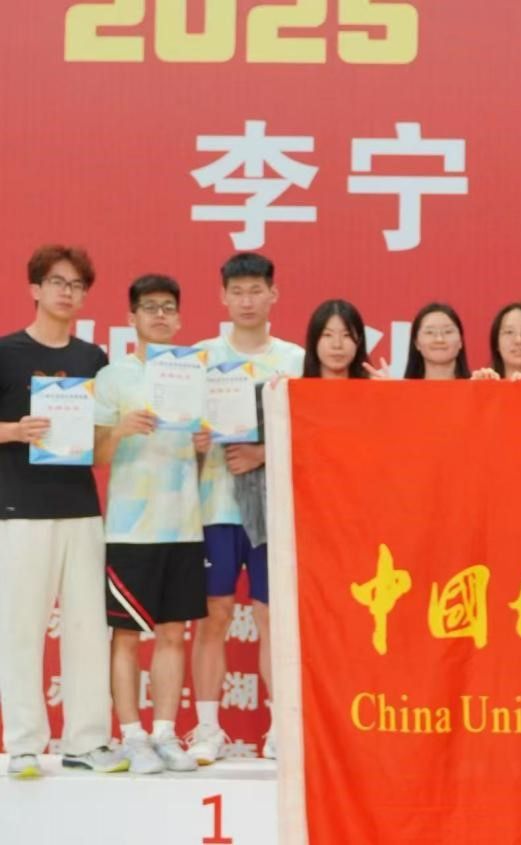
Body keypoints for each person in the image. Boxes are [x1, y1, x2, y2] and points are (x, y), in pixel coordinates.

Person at [0, 245, 126, 777]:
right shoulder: (6, 353)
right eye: (57, 282)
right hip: (19, 508)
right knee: (20, 628)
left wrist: (123, 429)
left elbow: (97, 449)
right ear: (35, 288)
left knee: (88, 627)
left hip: (80, 508)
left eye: (76, 285)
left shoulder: (93, 359)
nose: (66, 292)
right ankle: (25, 744)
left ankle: (86, 741)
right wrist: (13, 431)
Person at [188, 252, 305, 765]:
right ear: (223, 297)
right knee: (213, 615)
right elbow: (178, 432)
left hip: (273, 512)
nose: (247, 301)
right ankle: (207, 728)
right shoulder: (200, 358)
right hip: (213, 506)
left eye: (256, 290)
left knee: (271, 617)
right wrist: (193, 442)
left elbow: (314, 434)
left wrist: (262, 453)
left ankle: (281, 728)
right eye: (237, 292)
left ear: (273, 294)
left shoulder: (295, 360)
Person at [94, 274, 205, 774]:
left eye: (168, 308)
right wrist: (120, 429)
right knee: (125, 636)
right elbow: (93, 454)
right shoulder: (114, 377)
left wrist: (203, 445)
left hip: (184, 526)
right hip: (130, 529)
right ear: (132, 318)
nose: (160, 315)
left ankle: (164, 733)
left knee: (173, 634)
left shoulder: (194, 373)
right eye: (149, 307)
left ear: (179, 318)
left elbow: (204, 448)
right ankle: (132, 736)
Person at [472, 302, 521, 381]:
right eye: (509, 332)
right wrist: (474, 386)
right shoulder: (483, 383)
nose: (519, 340)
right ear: (496, 342)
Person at [403, 303, 470, 380]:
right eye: (430, 332)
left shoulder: (477, 385)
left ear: (460, 341)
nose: (439, 339)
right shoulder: (398, 388)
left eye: (448, 331)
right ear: (416, 342)